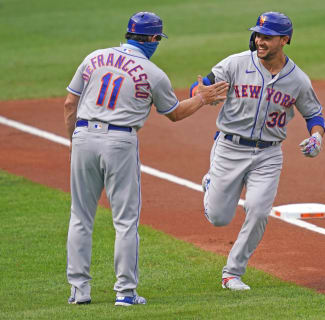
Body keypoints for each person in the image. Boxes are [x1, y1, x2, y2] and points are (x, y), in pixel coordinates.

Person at [64, 12, 228, 306]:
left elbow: (69, 103)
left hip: (84, 136)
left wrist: (74, 142)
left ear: (129, 34)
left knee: (80, 217)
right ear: (153, 39)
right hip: (119, 141)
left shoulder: (93, 57)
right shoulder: (153, 73)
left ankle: (79, 291)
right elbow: (175, 113)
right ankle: (125, 293)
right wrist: (203, 98)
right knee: (125, 221)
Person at [190, 11, 325, 291]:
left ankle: (232, 273)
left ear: (284, 40)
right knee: (219, 218)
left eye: (267, 36)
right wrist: (202, 93)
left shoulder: (297, 79)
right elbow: (201, 85)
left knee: (258, 211)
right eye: (258, 35)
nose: (259, 40)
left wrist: (316, 138)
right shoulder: (236, 63)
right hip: (229, 147)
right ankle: (210, 182)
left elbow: (315, 115)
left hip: (268, 155)